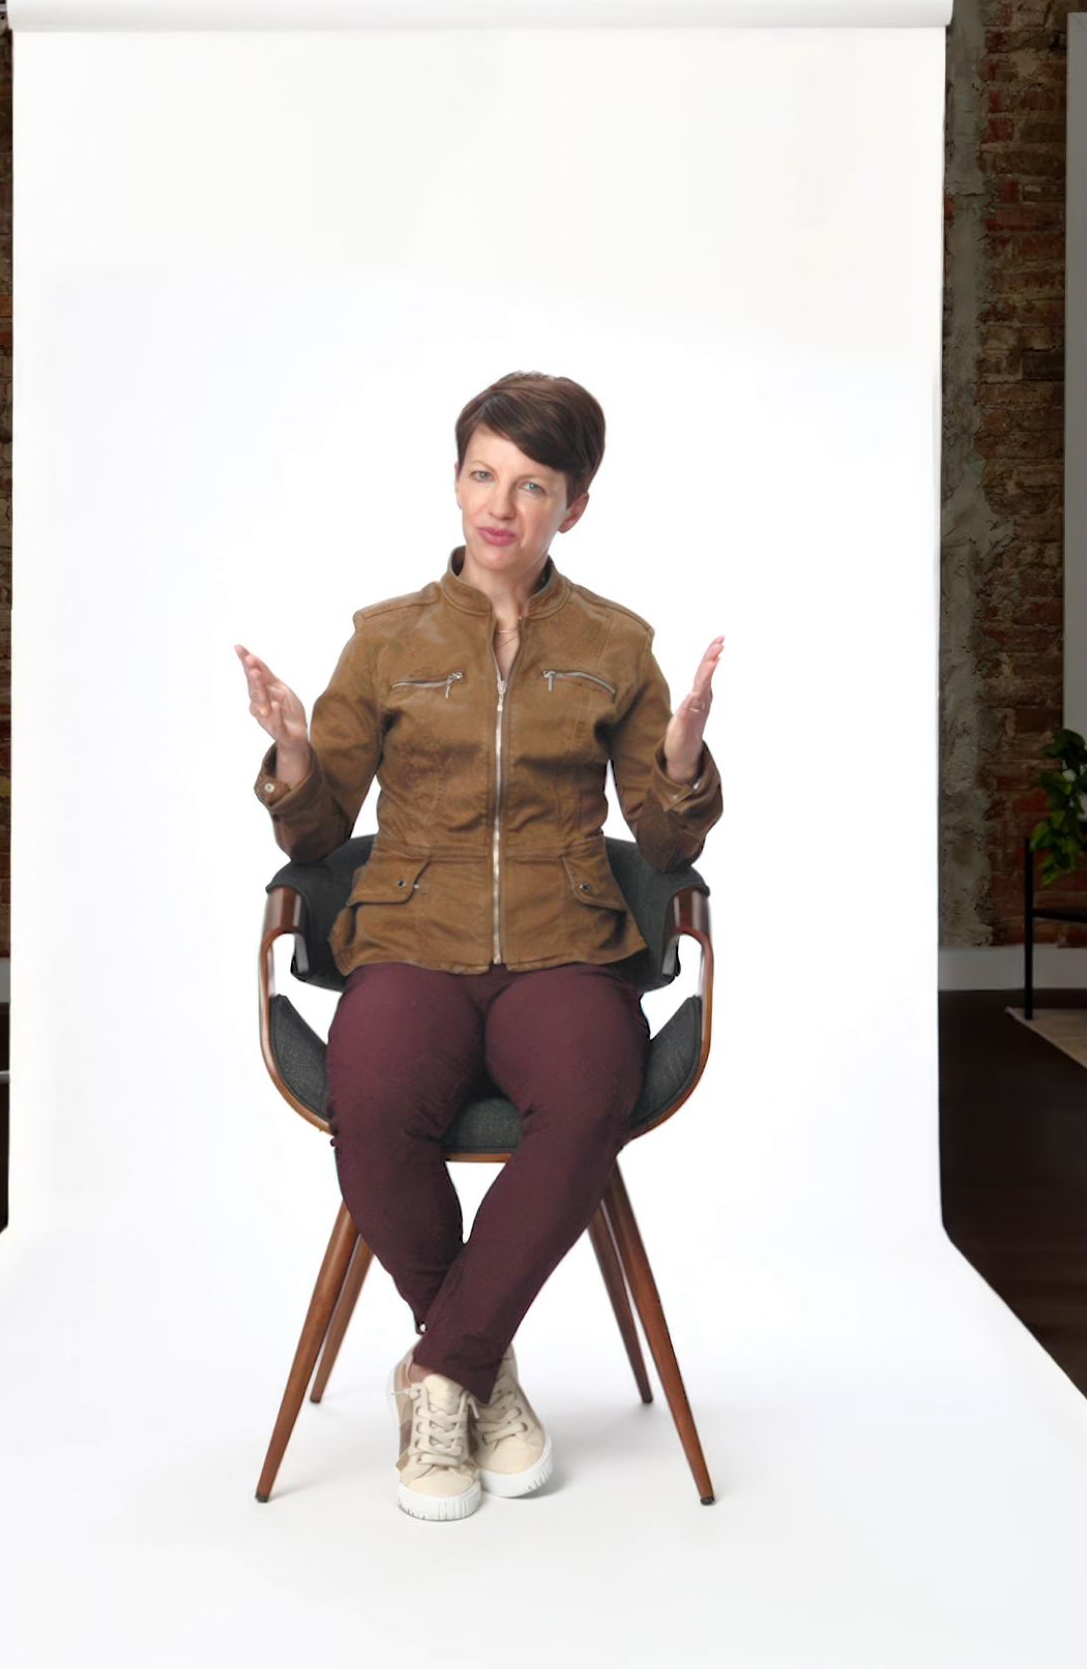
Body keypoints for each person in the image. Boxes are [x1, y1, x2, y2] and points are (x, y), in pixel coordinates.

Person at [234, 371, 723, 1522]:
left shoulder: (614, 641)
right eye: (480, 476)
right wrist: (298, 757)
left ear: (573, 505)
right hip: (409, 934)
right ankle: (480, 1369)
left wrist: (684, 757)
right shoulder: (386, 639)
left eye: (531, 486)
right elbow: (315, 833)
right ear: (456, 482)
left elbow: (660, 838)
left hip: (566, 943)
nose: (498, 507)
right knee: (372, 1100)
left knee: (590, 1093)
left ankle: (440, 1369)